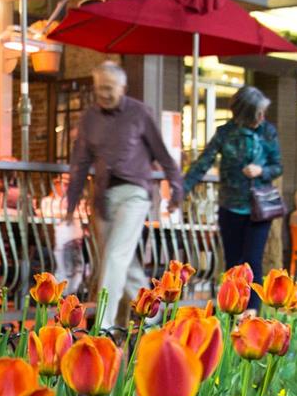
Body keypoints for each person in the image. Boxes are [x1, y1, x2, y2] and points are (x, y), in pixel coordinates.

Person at [65, 61, 183, 329]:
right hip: (103, 198)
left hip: (134, 194)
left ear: (123, 87)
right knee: (123, 263)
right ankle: (155, 316)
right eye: (99, 89)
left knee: (115, 257)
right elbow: (80, 161)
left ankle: (103, 327)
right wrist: (71, 203)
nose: (104, 94)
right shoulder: (89, 118)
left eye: (109, 88)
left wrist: (176, 188)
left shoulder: (139, 113)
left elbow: (163, 154)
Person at [184, 84, 283, 292]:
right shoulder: (225, 133)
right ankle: (232, 309)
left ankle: (252, 311)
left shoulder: (268, 132)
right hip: (230, 207)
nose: (262, 117)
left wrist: (261, 171)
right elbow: (203, 164)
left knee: (252, 260)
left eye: (263, 112)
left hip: (259, 208)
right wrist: (181, 190)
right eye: (258, 113)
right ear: (244, 113)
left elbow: (277, 166)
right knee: (232, 263)